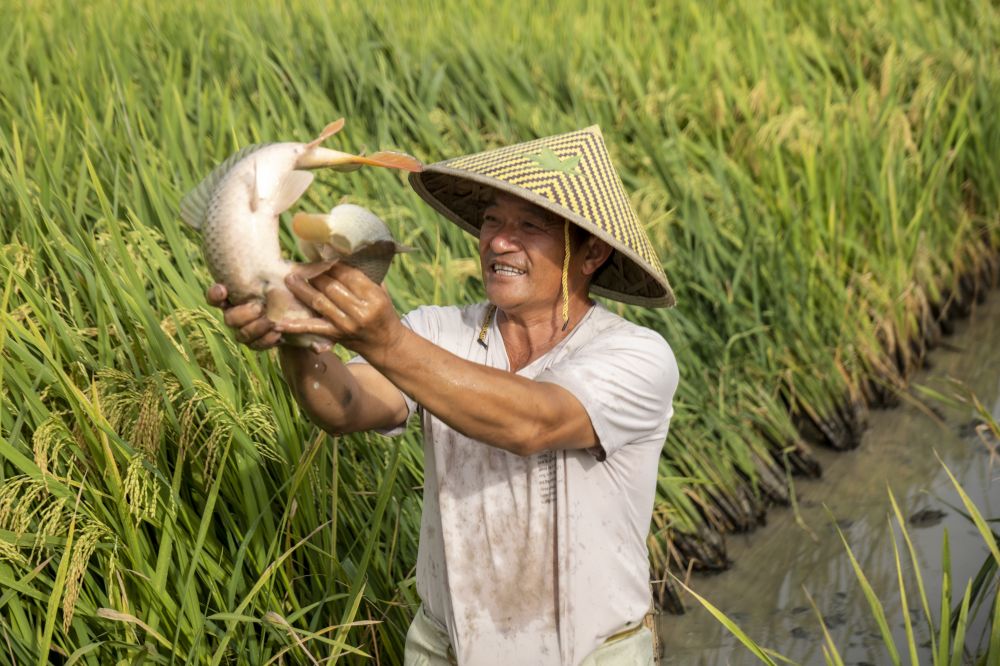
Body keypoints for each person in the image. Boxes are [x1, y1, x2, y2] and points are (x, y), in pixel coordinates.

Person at [207, 126, 679, 665]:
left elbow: (533, 423)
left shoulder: (637, 356)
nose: (500, 241)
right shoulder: (438, 331)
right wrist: (295, 334)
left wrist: (385, 339)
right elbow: (346, 406)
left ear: (591, 252)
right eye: (493, 221)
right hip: (447, 652)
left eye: (530, 226)